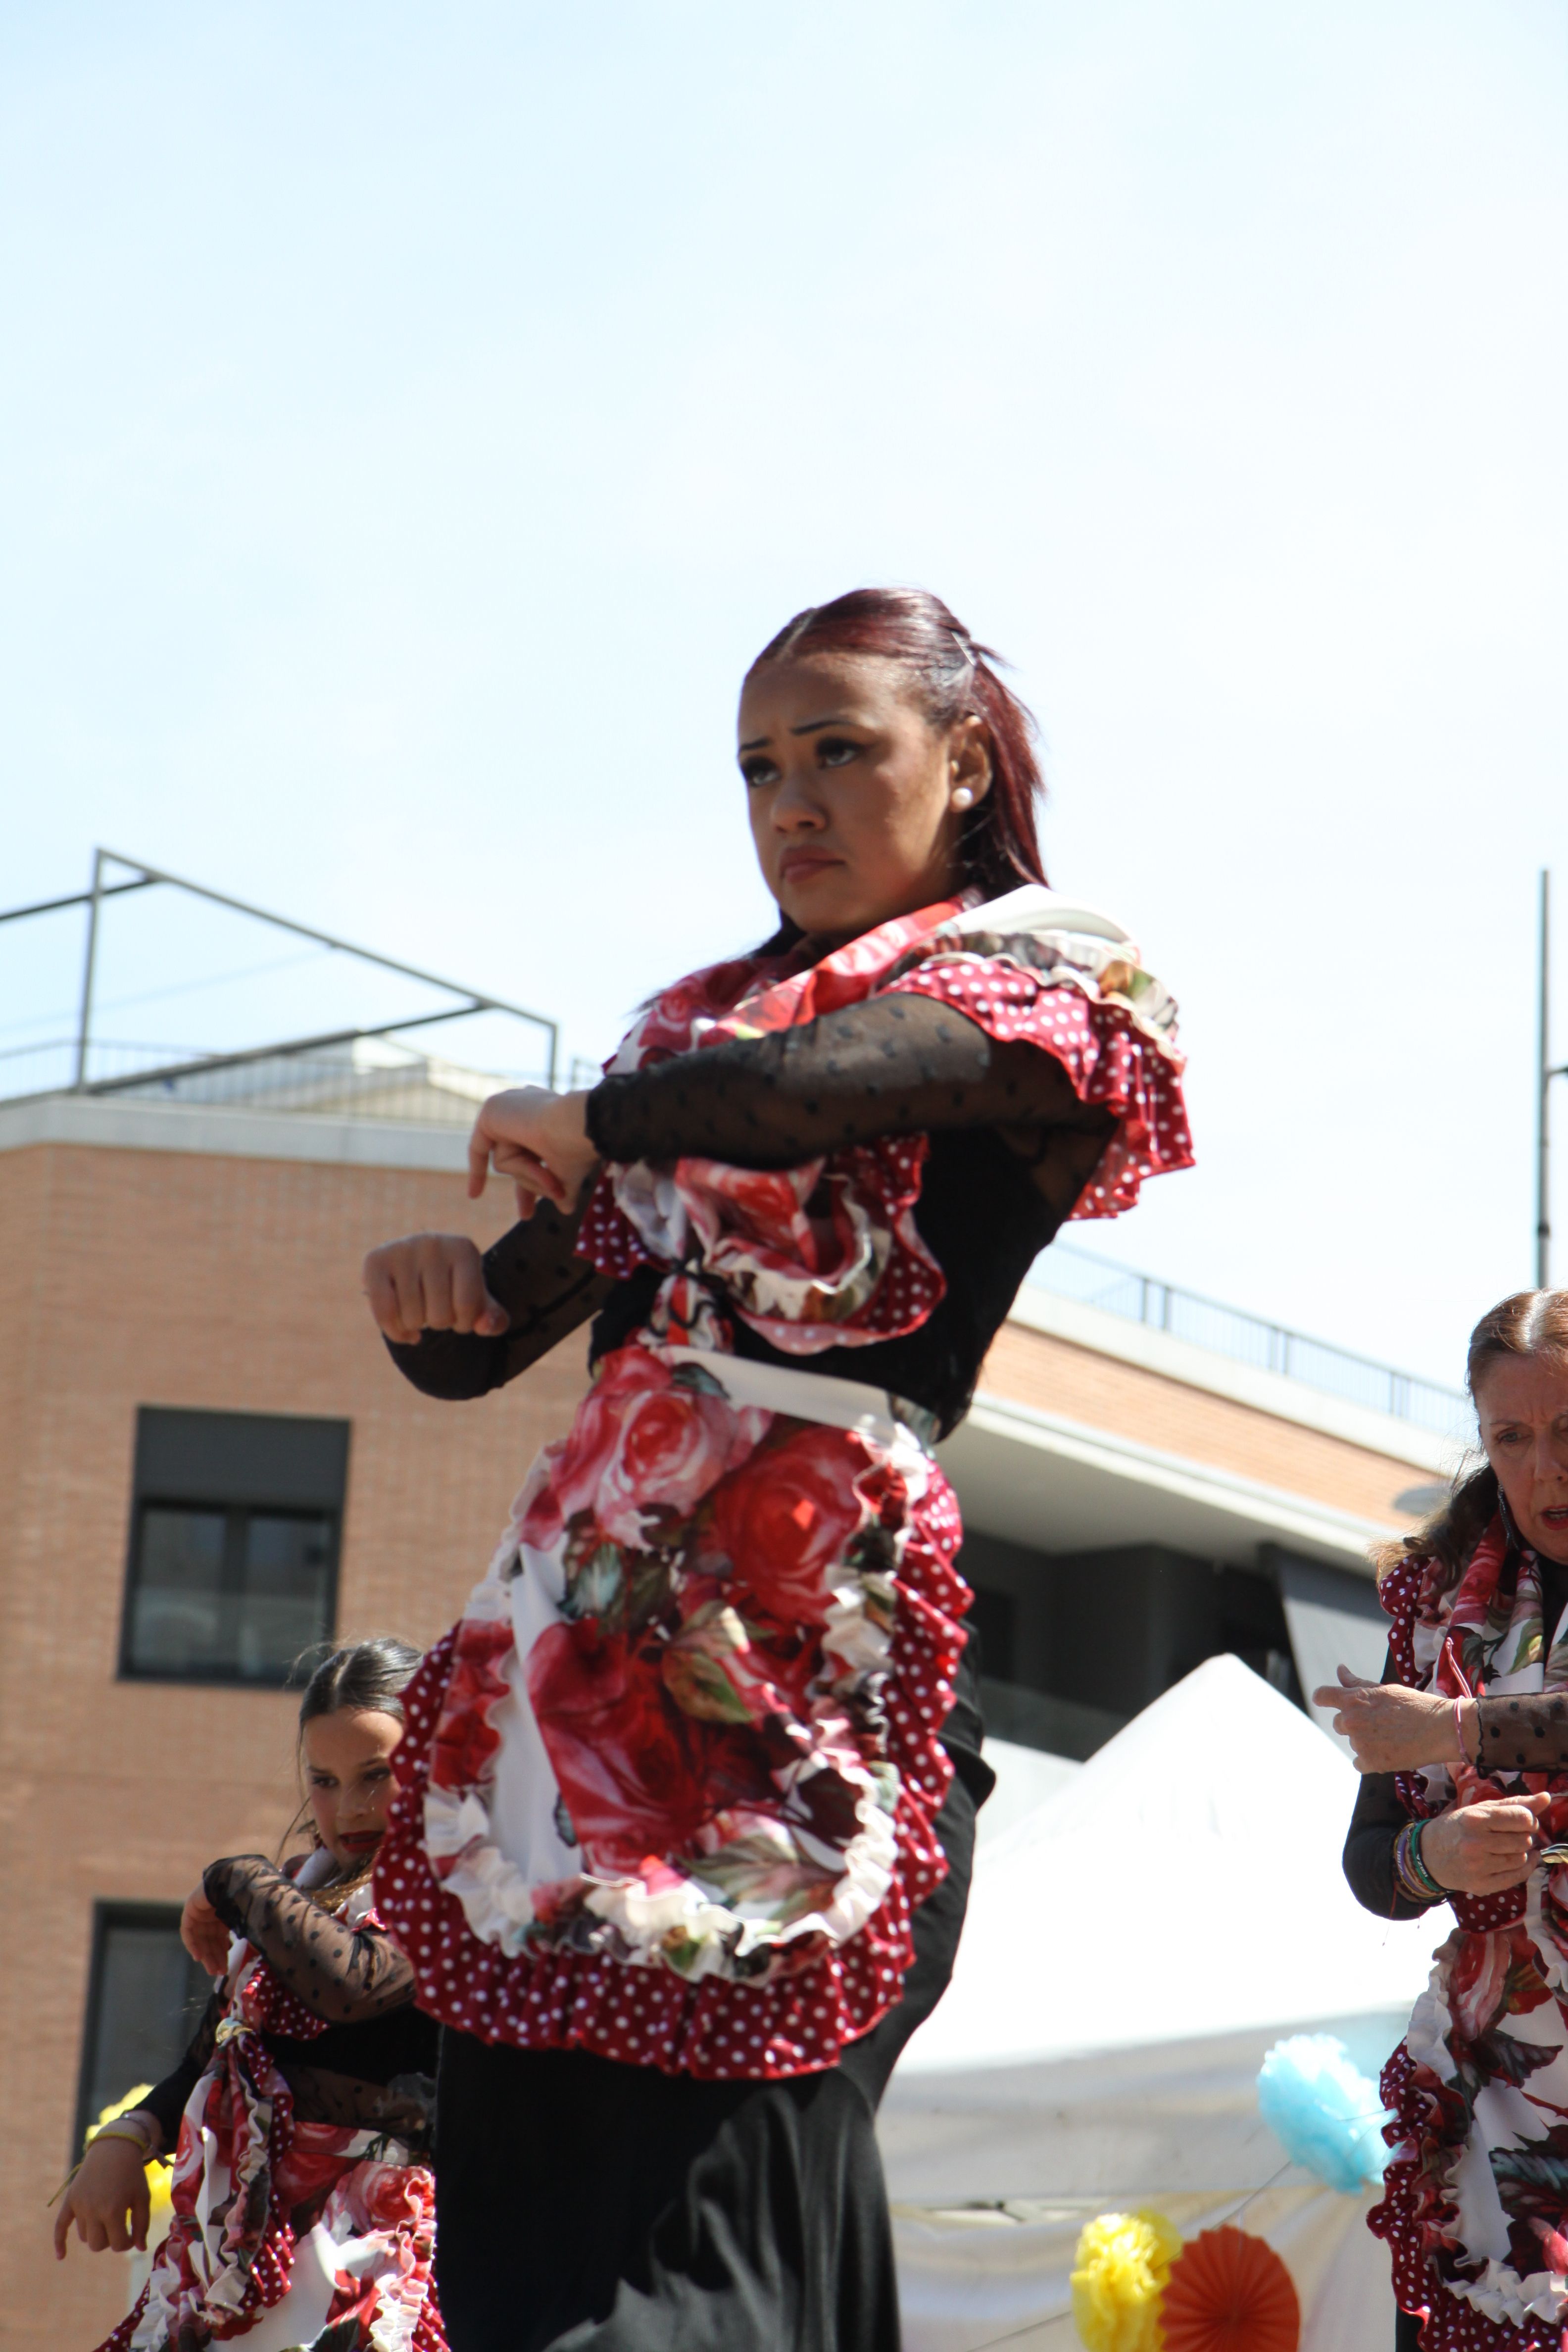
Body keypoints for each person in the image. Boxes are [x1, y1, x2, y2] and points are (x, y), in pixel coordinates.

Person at [362, 586, 1194, 2352]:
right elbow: (487, 1337)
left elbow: (821, 1092)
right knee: (522, 2212)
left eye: (839, 751)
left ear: (961, 763)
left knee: (707, 2217)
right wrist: (427, 1292)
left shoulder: (1050, 968)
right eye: (756, 768)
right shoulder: (690, 1038)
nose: (789, 802)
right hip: (563, 1663)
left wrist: (607, 1124)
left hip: (792, 1660)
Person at [56, 1637, 446, 2352]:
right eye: (323, 1780)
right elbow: (220, 2059)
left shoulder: (461, 1893)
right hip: (234, 2251)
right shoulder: (299, 1900)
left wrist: (234, 1879)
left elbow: (350, 1985)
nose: (348, 1805)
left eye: (377, 1774)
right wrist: (128, 2137)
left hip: (368, 2261)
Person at [1324, 1289, 1568, 2352]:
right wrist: (1437, 1853)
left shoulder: (1449, 1702)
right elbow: (1368, 1861)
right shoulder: (1434, 1610)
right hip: (1488, 2098)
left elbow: (1456, 1734)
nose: (1544, 1468)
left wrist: (1461, 1731)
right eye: (1510, 1438)